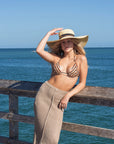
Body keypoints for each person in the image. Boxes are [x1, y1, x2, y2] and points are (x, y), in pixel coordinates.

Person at [33, 28, 88, 144]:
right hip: (44, 94)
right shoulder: (56, 58)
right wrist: (48, 33)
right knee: (40, 131)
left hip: (60, 98)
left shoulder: (81, 59)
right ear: (60, 45)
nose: (66, 44)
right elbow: (39, 50)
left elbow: (82, 83)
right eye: (63, 42)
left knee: (52, 136)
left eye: (69, 41)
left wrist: (67, 96)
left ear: (74, 43)